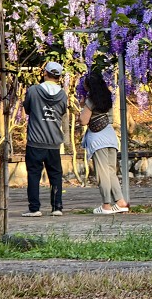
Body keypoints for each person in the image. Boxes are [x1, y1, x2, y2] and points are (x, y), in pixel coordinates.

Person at [21, 60, 67, 217]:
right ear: (59, 76)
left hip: (35, 141)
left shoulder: (33, 91)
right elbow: (61, 113)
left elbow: (27, 109)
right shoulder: (62, 95)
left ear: (45, 73)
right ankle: (57, 207)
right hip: (54, 142)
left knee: (33, 174)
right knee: (55, 175)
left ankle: (34, 208)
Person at [79, 69, 128, 214]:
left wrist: (82, 110)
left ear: (89, 86)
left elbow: (84, 121)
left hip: (98, 139)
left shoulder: (90, 100)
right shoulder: (107, 98)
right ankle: (120, 202)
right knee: (111, 171)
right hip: (110, 136)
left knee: (102, 174)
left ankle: (106, 205)